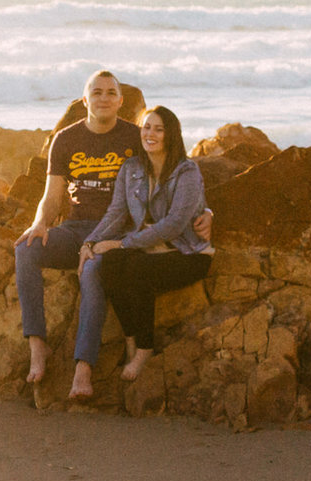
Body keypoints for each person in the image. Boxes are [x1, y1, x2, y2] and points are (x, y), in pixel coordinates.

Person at [13, 70, 143, 390]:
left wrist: (204, 210)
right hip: (75, 229)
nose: (104, 98)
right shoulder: (66, 139)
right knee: (25, 249)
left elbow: (170, 177)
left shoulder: (135, 138)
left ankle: (83, 367)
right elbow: (52, 197)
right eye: (96, 92)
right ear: (85, 100)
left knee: (92, 270)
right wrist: (40, 223)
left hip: (114, 233)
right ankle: (37, 345)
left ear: (120, 101)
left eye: (111, 93)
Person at [75, 105, 210, 396]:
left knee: (136, 270)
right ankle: (131, 338)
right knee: (109, 263)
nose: (150, 134)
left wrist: (123, 243)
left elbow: (175, 224)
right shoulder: (132, 168)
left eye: (158, 128)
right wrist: (89, 243)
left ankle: (145, 349)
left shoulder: (187, 171)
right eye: (146, 127)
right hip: (147, 248)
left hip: (187, 253)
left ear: (171, 134)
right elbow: (116, 212)